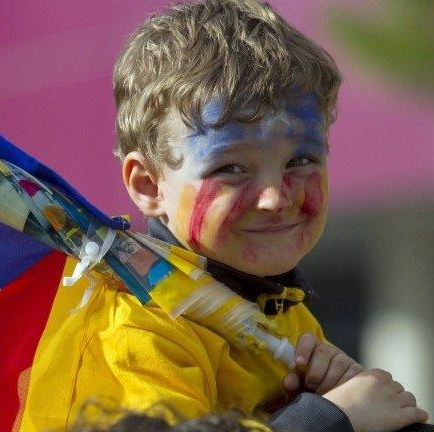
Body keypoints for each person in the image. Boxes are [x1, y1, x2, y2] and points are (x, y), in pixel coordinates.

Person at [22, 1, 429, 431]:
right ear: (148, 185)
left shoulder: (283, 314)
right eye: (230, 169)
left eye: (302, 160)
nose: (275, 198)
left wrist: (328, 396)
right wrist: (329, 418)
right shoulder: (134, 331)